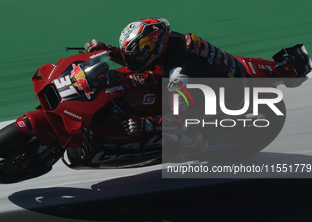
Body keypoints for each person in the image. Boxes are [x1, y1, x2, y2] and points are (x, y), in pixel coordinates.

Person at [84, 18, 246, 153]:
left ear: (155, 46)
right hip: (217, 74)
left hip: (226, 95)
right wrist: (109, 51)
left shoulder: (178, 73)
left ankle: (201, 144)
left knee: (178, 125)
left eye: (136, 56)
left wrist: (146, 123)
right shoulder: (169, 42)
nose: (132, 61)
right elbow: (139, 61)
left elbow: (177, 118)